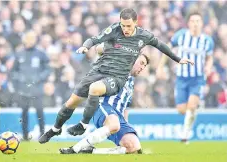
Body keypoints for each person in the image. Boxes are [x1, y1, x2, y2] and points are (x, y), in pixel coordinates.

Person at [39, 8, 193, 144]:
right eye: (123, 25)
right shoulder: (114, 29)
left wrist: (178, 59)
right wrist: (85, 47)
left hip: (117, 78)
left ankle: (83, 125)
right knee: (71, 103)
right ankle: (55, 129)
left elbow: (161, 45)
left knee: (95, 89)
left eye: (128, 26)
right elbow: (94, 39)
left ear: (135, 23)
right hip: (98, 71)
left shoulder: (143, 36)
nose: (125, 29)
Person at [59, 44, 149, 154]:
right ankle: (74, 149)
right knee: (114, 125)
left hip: (118, 116)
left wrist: (125, 126)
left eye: (144, 66)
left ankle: (91, 151)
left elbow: (126, 107)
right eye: (141, 63)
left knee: (133, 147)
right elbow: (99, 49)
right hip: (104, 106)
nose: (142, 67)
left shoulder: (131, 83)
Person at [156, 11, 214, 143]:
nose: (195, 24)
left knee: (192, 105)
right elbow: (167, 50)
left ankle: (185, 135)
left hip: (198, 78)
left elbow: (209, 57)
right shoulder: (181, 36)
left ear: (202, 23)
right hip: (181, 78)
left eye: (198, 21)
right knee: (182, 110)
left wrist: (209, 67)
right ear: (188, 23)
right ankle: (192, 114)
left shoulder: (207, 41)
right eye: (193, 21)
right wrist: (160, 67)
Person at [10, 31, 51, 140]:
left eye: (32, 39)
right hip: (23, 89)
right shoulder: (19, 54)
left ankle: (43, 134)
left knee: (39, 111)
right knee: (24, 112)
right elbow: (13, 71)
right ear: (24, 40)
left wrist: (40, 77)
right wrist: (19, 78)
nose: (29, 41)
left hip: (36, 88)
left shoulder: (40, 54)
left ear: (35, 40)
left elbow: (47, 69)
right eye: (28, 39)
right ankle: (24, 135)